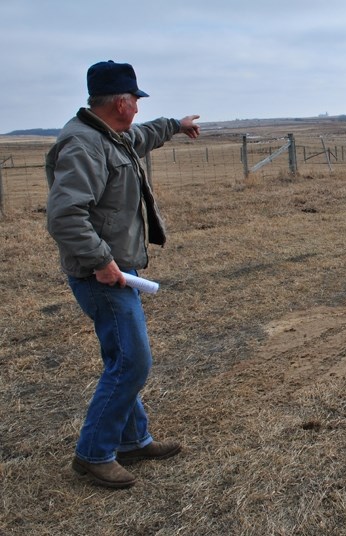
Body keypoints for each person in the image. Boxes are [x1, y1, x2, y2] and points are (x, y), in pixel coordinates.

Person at [45, 60, 200, 489]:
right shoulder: (84, 145)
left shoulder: (112, 135)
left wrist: (176, 124)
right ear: (120, 102)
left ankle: (132, 439)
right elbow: (65, 215)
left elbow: (145, 134)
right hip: (101, 274)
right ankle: (94, 453)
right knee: (132, 361)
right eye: (135, 98)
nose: (137, 104)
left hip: (116, 268)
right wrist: (102, 262)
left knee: (122, 357)